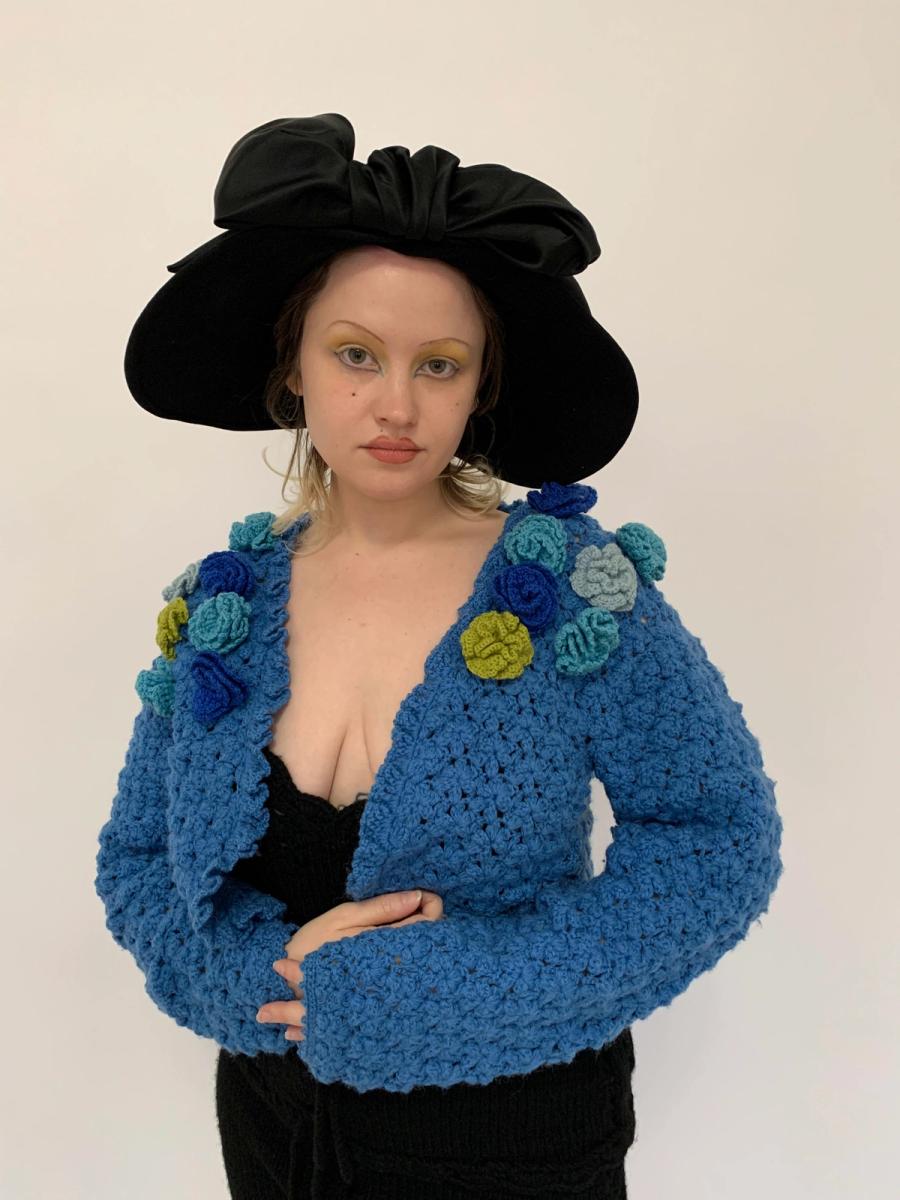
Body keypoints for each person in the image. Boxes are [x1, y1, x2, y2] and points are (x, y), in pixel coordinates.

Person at [95, 114, 783, 1199]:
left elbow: (716, 836)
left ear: (479, 387)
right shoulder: (223, 605)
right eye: (355, 354)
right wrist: (260, 986)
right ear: (293, 364)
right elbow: (141, 858)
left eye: (440, 365)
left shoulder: (574, 590)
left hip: (522, 1145)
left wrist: (448, 993)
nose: (397, 405)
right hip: (279, 1137)